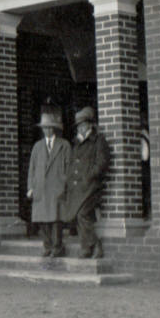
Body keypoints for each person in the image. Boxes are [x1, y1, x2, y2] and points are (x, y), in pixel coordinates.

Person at [61, 106, 111, 258]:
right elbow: (72, 164)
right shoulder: (76, 143)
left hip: (92, 187)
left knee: (83, 213)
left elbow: (102, 163)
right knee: (78, 215)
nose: (80, 128)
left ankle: (95, 245)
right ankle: (87, 248)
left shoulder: (98, 141)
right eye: (79, 126)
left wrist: (89, 176)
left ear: (90, 125)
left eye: (83, 125)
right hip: (77, 187)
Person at [27, 106, 71, 257]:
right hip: (40, 188)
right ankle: (47, 246)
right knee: (42, 220)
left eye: (49, 128)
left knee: (56, 219)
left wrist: (64, 183)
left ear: (54, 128)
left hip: (56, 187)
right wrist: (30, 187)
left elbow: (68, 167)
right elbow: (31, 169)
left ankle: (57, 247)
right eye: (44, 128)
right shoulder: (37, 147)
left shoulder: (64, 145)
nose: (47, 130)